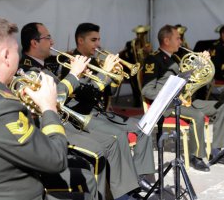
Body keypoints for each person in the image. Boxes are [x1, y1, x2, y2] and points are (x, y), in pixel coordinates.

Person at [19, 22, 141, 200]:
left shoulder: (46, 65)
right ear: (34, 43)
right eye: (47, 38)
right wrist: (75, 74)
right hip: (53, 126)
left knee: (115, 139)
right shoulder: (28, 70)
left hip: (69, 118)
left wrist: (107, 75)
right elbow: (57, 98)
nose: (52, 42)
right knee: (99, 150)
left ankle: (122, 193)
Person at [0, 15, 68, 200]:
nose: (19, 56)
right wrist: (49, 108)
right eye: (17, 51)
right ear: (6, 55)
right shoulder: (0, 108)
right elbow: (56, 159)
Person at [61, 23, 156, 193]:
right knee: (118, 137)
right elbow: (85, 96)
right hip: (85, 115)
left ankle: (140, 177)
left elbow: (109, 91)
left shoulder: (96, 60)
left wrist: (114, 76)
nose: (98, 44)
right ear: (80, 40)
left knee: (144, 126)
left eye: (98, 39)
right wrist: (105, 73)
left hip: (101, 113)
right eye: (93, 40)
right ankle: (124, 189)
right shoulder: (70, 62)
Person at [142, 24, 224, 172]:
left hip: (185, 100)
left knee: (221, 106)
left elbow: (188, 75)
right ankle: (195, 156)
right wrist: (170, 96)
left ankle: (216, 151)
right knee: (197, 116)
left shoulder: (177, 57)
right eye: (178, 38)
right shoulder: (153, 60)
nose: (181, 42)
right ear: (166, 40)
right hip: (168, 105)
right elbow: (147, 90)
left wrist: (201, 62)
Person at [119, 25, 152, 107]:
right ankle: (137, 100)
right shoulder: (130, 43)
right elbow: (123, 54)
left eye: (143, 34)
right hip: (133, 67)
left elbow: (151, 57)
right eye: (139, 34)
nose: (140, 36)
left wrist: (147, 51)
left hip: (145, 68)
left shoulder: (147, 45)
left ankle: (147, 101)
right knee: (134, 82)